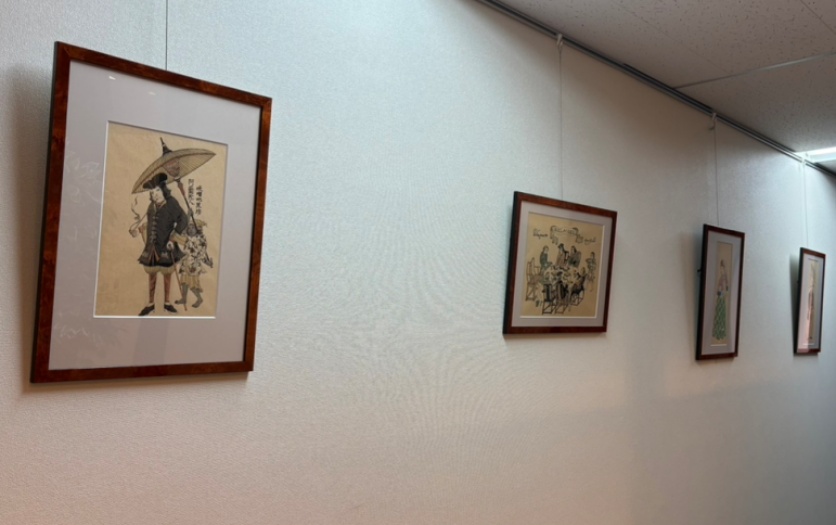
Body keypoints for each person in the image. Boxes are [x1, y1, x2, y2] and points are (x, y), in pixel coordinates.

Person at [129, 173, 188, 316]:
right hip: (152, 247)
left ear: (163, 190)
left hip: (166, 245)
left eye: (156, 190)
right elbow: (150, 224)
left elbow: (183, 219)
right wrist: (139, 230)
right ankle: (150, 304)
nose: (154, 194)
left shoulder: (171, 203)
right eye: (151, 192)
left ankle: (167, 303)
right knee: (152, 275)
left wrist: (173, 237)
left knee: (167, 275)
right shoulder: (151, 206)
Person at [176, 219, 213, 309]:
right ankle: (184, 298)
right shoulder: (187, 237)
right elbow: (180, 233)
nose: (190, 230)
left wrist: (207, 262)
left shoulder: (201, 239)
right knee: (184, 282)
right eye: (189, 228)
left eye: (193, 228)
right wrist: (187, 216)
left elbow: (202, 254)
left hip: (194, 265)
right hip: (185, 263)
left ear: (197, 229)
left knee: (193, 285)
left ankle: (199, 299)